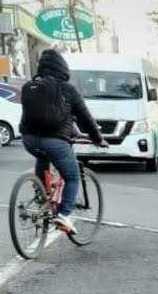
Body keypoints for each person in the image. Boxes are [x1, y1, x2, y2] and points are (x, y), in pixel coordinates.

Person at [19, 49, 105, 236]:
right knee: (72, 176)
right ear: (62, 67)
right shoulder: (67, 88)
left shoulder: (29, 86)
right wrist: (98, 138)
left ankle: (42, 198)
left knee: (42, 156)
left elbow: (47, 115)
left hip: (29, 139)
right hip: (56, 142)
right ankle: (64, 215)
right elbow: (84, 117)